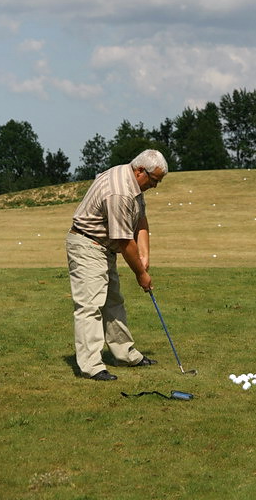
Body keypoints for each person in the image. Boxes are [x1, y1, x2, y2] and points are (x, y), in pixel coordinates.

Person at [66, 149, 168, 381]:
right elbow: (124, 240)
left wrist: (145, 255)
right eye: (154, 180)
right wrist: (141, 274)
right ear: (141, 171)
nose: (155, 186)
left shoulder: (131, 179)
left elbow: (140, 220)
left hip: (103, 247)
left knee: (113, 301)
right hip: (87, 244)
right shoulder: (119, 192)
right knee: (90, 305)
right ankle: (91, 366)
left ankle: (124, 354)